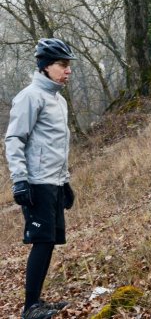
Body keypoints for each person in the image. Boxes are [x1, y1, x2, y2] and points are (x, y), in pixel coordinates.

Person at [5, 38, 77, 319]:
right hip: (36, 182)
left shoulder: (57, 99)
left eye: (68, 65)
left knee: (49, 241)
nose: (68, 70)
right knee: (41, 241)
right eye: (62, 64)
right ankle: (29, 308)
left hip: (53, 181)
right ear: (46, 66)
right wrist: (20, 180)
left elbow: (55, 145)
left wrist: (65, 181)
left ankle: (37, 301)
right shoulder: (30, 96)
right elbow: (14, 139)